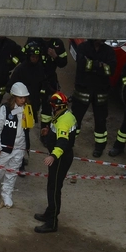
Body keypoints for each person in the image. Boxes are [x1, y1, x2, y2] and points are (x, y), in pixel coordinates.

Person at [0, 82, 33, 208]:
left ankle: (7, 193)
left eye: (24, 97)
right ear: (14, 97)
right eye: (20, 97)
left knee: (12, 171)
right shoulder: (5, 109)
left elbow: (29, 127)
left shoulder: (27, 109)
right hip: (5, 146)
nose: (23, 100)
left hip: (19, 146)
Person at [34, 92, 77, 234]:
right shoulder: (63, 114)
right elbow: (58, 132)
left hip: (60, 158)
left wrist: (53, 156)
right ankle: (49, 212)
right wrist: (49, 132)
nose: (52, 108)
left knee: (54, 188)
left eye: (53, 106)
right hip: (61, 156)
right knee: (52, 186)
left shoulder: (64, 120)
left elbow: (63, 142)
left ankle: (52, 222)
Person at [72, 39, 116, 158]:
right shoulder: (83, 48)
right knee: (75, 120)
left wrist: (91, 64)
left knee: (101, 121)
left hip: (100, 93)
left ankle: (99, 146)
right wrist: (100, 65)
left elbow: (111, 70)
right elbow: (81, 65)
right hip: (83, 91)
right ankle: (68, 144)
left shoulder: (109, 51)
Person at [36, 37, 67, 126]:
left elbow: (64, 63)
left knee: (47, 109)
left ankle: (45, 131)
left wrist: (55, 56)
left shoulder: (58, 43)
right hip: (35, 80)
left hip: (50, 80)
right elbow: (24, 58)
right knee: (32, 105)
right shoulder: (34, 40)